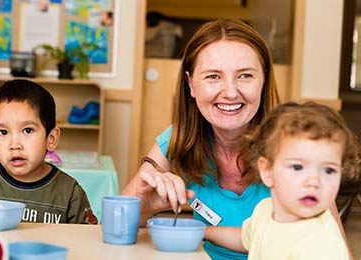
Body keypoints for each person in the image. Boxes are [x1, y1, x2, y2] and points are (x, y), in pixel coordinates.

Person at [122, 19, 350, 259]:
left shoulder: (293, 145)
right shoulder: (181, 139)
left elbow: (338, 248)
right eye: (213, 76)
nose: (230, 92)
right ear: (191, 85)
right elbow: (116, 221)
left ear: (263, 80)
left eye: (245, 76)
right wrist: (144, 205)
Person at [204, 102, 360, 259]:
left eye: (329, 170)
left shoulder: (320, 244)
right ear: (267, 171)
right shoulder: (264, 210)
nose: (314, 182)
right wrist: (206, 232)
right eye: (298, 167)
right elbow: (246, 238)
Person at [0, 79, 97, 225]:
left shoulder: (70, 193)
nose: (15, 145)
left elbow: (88, 241)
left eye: (27, 130)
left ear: (50, 139)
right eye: (2, 132)